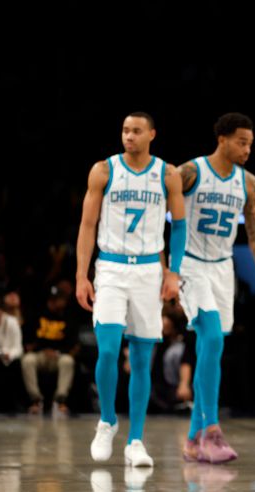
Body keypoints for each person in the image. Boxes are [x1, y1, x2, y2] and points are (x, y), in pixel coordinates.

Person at [76, 111, 186, 467]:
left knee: (142, 358)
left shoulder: (167, 174)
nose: (129, 136)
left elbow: (180, 227)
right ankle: (107, 419)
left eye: (136, 131)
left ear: (152, 134)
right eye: (125, 130)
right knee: (108, 351)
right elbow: (87, 224)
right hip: (110, 266)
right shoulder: (103, 170)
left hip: (148, 272)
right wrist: (82, 275)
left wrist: (174, 272)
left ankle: (136, 439)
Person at [177, 112, 255, 464]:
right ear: (221, 139)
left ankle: (193, 438)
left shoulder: (248, 183)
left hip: (222, 269)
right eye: (241, 142)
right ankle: (211, 430)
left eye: (250, 144)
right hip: (191, 264)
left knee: (214, 350)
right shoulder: (190, 172)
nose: (247, 149)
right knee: (210, 340)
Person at [21, 285, 79, 417]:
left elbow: (73, 344)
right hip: (40, 354)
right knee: (27, 360)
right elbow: (28, 340)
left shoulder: (68, 317)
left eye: (63, 299)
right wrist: (42, 349)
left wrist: (58, 352)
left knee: (68, 361)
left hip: (59, 355)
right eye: (59, 300)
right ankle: (36, 400)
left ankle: (60, 401)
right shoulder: (37, 315)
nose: (62, 303)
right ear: (51, 301)